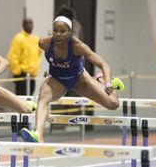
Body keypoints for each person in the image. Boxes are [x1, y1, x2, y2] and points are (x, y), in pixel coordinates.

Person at [20, 10, 125, 143]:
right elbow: (51, 59)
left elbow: (104, 64)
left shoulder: (78, 46)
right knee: (43, 95)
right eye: (55, 30)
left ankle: (100, 79)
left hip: (79, 80)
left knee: (113, 103)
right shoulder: (43, 43)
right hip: (58, 80)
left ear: (70, 32)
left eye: (62, 31)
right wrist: (49, 71)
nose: (58, 34)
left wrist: (108, 83)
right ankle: (38, 134)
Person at [7, 17, 40, 96]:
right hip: (22, 74)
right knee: (21, 98)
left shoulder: (36, 39)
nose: (29, 25)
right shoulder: (19, 38)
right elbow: (12, 56)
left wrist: (35, 70)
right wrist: (18, 71)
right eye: (27, 23)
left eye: (31, 23)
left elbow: (39, 54)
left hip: (32, 75)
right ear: (23, 25)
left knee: (30, 98)